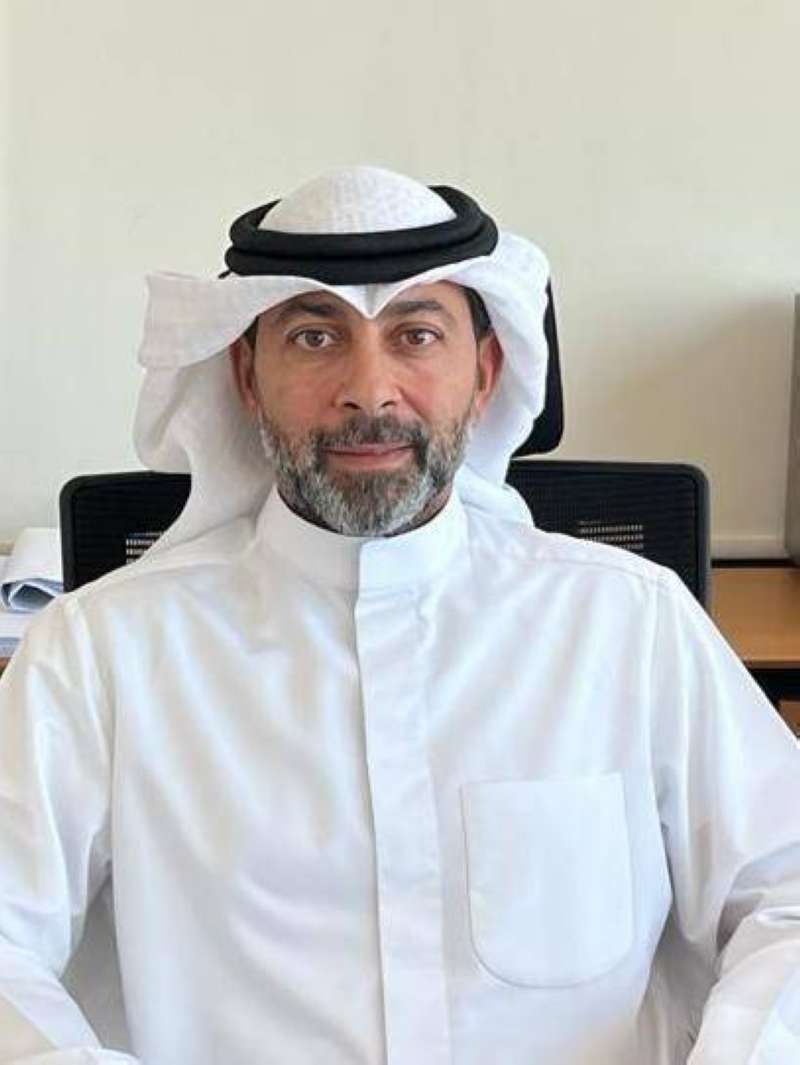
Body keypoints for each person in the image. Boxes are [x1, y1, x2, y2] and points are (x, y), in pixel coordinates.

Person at [0, 166, 799, 1065]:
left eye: (416, 334)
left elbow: (787, 891)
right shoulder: (101, 652)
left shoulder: (629, 625)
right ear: (247, 377)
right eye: (314, 337)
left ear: (484, 374)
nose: (370, 390)